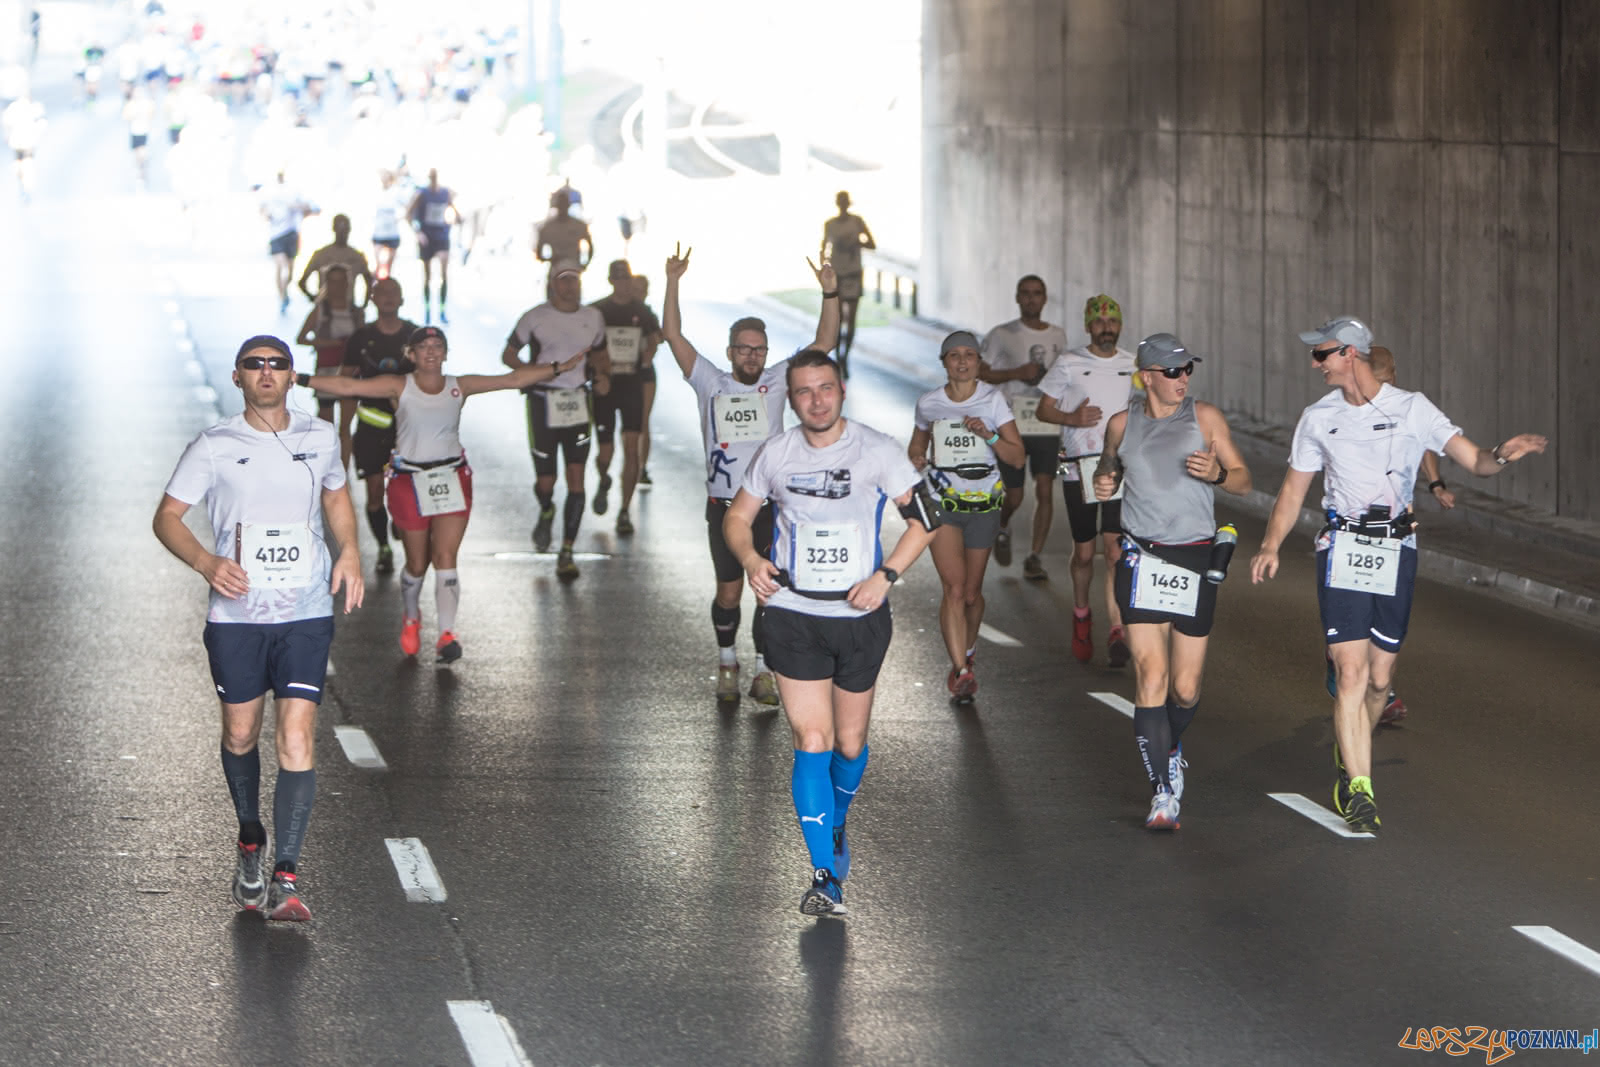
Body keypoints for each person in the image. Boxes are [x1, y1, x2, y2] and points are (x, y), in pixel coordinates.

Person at [1250, 316, 1548, 833]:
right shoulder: (1318, 418)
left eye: (1321, 354)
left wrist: (1502, 454)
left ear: (1349, 354)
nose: (1314, 364)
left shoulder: (1413, 408)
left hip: (1396, 548)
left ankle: (1355, 744)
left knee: (1380, 679)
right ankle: (1359, 787)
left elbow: (1475, 460)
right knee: (1351, 671)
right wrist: (1271, 544)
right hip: (1342, 545)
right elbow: (1294, 490)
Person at [152, 334, 364, 922]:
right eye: (255, 365)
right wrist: (206, 563)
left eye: (277, 365)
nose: (266, 372)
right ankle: (251, 839)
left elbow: (337, 497)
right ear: (239, 377)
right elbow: (166, 517)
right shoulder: (214, 445)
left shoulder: (319, 436)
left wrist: (349, 552)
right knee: (241, 735)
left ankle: (287, 875)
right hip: (238, 616)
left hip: (304, 612)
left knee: (296, 738)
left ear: (293, 377)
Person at [725, 349, 939, 916]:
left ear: (841, 390)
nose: (815, 400)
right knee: (811, 741)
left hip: (860, 617)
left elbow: (927, 519)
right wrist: (750, 559)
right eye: (803, 392)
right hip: (793, 614)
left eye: (825, 388)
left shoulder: (878, 450)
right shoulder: (777, 453)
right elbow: (736, 517)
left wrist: (886, 577)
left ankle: (836, 820)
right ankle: (825, 876)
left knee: (848, 744)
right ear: (790, 399)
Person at [306, 327, 585, 662]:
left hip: (452, 477)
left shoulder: (459, 385)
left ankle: (447, 635)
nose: (431, 352)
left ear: (446, 353)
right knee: (417, 563)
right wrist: (298, 378)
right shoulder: (399, 385)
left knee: (446, 558)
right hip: (409, 480)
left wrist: (558, 368)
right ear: (411, 354)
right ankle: (411, 617)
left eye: (438, 346)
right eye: (423, 347)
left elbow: (511, 380)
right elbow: (349, 386)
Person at [662, 243, 840, 705]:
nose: (752, 357)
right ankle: (726, 660)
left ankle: (764, 670)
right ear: (730, 351)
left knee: (769, 589)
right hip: (724, 507)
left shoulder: (779, 379)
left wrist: (830, 293)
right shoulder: (709, 380)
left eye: (759, 350)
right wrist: (673, 281)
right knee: (728, 591)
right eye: (744, 349)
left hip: (771, 505)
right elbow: (671, 334)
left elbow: (824, 343)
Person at [1093, 334, 1250, 830]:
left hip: (1195, 559)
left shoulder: (1205, 420)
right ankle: (1163, 790)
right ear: (1146, 376)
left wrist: (1220, 474)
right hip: (1142, 558)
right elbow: (1108, 464)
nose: (1183, 379)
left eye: (1187, 371)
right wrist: (1104, 480)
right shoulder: (1121, 423)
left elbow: (1245, 478)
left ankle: (1173, 742)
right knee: (1151, 677)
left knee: (1184, 689)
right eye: (1173, 371)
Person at [911, 330, 1024, 699]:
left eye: (969, 355)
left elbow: (1016, 457)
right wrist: (916, 459)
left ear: (979, 363)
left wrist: (989, 436)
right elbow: (917, 448)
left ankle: (968, 654)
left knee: (973, 594)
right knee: (954, 589)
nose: (961, 362)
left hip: (984, 506)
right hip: (944, 504)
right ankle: (959, 670)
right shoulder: (929, 404)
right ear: (943, 362)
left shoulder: (993, 401)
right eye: (954, 355)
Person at [1036, 294, 1137, 665]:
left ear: (1120, 325)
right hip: (1079, 467)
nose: (1106, 327)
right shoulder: (1069, 363)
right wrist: (1072, 420)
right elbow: (1043, 408)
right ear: (1088, 325)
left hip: (1118, 468)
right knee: (1083, 552)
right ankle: (1081, 615)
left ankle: (1116, 629)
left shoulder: (1133, 364)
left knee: (1114, 551)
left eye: (1112, 322)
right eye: (1099, 322)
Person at [502, 259, 611, 579]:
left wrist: (603, 375)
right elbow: (508, 353)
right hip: (542, 401)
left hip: (577, 401)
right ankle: (546, 509)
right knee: (546, 481)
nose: (569, 286)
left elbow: (600, 354)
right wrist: (528, 374)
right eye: (563, 280)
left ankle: (566, 550)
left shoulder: (593, 317)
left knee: (576, 477)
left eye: (574, 280)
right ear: (553, 284)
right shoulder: (535, 317)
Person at [979, 275, 1068, 575]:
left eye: (1037, 294)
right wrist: (1018, 372)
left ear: (1045, 299)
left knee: (1045, 489)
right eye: (1026, 294)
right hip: (1011, 420)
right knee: (1014, 495)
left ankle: (1035, 556)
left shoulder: (1058, 335)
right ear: (1018, 298)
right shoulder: (1002, 334)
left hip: (1044, 421)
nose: (1031, 299)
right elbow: (982, 372)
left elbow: (1064, 377)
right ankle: (1002, 526)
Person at [340, 277, 417, 575]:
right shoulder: (360, 339)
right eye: (382, 293)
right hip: (371, 427)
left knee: (403, 488)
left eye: (393, 293)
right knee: (374, 491)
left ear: (401, 299)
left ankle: (401, 520)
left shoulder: (414, 335)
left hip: (407, 428)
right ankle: (383, 546)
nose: (387, 298)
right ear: (372, 299)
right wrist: (343, 428)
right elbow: (346, 382)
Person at [589, 260, 662, 535]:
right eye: (617, 279)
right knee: (605, 451)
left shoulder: (640, 311)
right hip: (606, 386)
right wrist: (599, 370)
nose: (622, 284)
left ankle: (624, 510)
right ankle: (604, 476)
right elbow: (586, 345)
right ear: (610, 281)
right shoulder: (598, 310)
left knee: (632, 445)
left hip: (632, 383)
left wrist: (648, 354)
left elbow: (656, 336)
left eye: (625, 279)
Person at [294, 264, 364, 431]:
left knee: (345, 428)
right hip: (326, 371)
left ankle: (344, 457)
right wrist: (330, 343)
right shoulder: (319, 310)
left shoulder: (356, 311)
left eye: (341, 281)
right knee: (326, 427)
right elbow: (301, 339)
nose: (337, 286)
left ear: (348, 284)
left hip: (351, 371)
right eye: (333, 281)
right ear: (327, 284)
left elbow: (363, 341)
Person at [818, 191, 875, 377]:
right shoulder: (830, 225)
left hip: (853, 273)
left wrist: (855, 243)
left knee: (851, 320)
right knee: (838, 319)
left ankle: (845, 356)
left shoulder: (856, 222)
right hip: (838, 275)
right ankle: (838, 357)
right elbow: (824, 249)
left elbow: (872, 244)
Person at [260, 171, 317, 315]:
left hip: (291, 233)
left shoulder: (294, 189)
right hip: (276, 234)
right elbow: (262, 209)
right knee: (281, 265)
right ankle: (282, 297)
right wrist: (267, 215)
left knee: (290, 270)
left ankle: (285, 291)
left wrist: (296, 207)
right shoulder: (268, 190)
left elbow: (309, 207)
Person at [408, 168, 457, 325]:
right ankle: (428, 309)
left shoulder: (445, 193)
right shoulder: (421, 193)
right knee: (428, 276)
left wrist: (455, 219)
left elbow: (453, 209)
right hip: (427, 237)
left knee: (444, 274)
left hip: (441, 236)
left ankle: (442, 309)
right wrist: (418, 233)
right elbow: (408, 214)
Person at [298, 213, 373, 306]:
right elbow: (302, 282)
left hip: (348, 308)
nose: (342, 232)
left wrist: (362, 307)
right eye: (339, 228)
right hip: (325, 307)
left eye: (344, 228)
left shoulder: (357, 256)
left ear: (349, 229)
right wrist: (314, 299)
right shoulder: (320, 254)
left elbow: (369, 283)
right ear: (334, 229)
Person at [632, 272, 660, 490]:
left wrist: (647, 353)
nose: (639, 294)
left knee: (643, 421)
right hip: (619, 373)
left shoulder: (648, 315)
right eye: (636, 289)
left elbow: (660, 337)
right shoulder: (617, 310)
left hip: (644, 373)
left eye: (643, 290)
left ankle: (642, 468)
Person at [535, 189, 592, 294]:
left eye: (564, 203)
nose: (562, 207)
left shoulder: (579, 225)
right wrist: (551, 259)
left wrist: (585, 264)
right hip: (555, 272)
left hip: (574, 269)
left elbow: (590, 246)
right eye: (560, 204)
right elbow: (539, 253)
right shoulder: (548, 227)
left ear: (569, 205)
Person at [2, 89, 45, 200]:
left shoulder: (34, 108)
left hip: (28, 142)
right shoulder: (13, 108)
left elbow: (42, 123)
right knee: (19, 166)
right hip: (17, 143)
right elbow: (6, 123)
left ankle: (27, 188)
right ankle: (24, 186)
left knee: (27, 164)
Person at [370, 169, 408, 280]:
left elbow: (408, 205)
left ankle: (385, 289)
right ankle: (374, 287)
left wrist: (401, 217)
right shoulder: (376, 192)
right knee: (378, 265)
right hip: (378, 233)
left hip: (392, 233)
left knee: (389, 268)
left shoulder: (396, 192)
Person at [122, 85, 155, 183]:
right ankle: (139, 168)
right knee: (137, 153)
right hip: (134, 131)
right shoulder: (130, 104)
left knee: (142, 152)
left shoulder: (147, 104)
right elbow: (125, 117)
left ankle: (142, 170)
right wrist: (133, 115)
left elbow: (152, 114)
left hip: (144, 131)